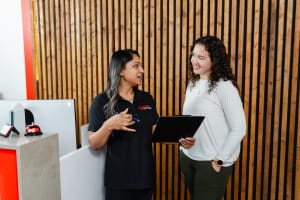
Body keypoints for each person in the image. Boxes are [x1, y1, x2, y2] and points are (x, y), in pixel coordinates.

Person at [179, 36, 246, 200]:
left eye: (201, 58)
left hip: (211, 162)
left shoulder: (224, 87)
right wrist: (183, 140)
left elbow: (239, 128)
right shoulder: (192, 85)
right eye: (193, 55)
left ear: (215, 61)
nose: (194, 61)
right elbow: (190, 122)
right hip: (188, 157)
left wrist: (219, 161)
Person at [88, 49, 159, 200]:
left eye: (141, 66)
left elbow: (154, 131)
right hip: (118, 182)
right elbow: (94, 142)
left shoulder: (146, 98)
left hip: (145, 179)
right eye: (136, 66)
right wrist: (109, 125)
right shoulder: (101, 101)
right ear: (120, 70)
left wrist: (179, 137)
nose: (142, 70)